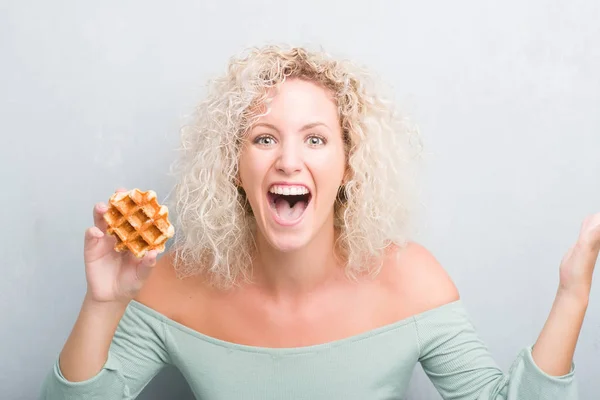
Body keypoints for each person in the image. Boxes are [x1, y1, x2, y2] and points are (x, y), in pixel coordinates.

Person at [40, 45, 598, 399]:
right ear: (233, 167)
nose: (288, 160)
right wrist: (104, 304)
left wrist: (573, 295)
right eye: (263, 139)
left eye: (315, 138)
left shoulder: (410, 280)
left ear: (348, 164)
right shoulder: (172, 282)